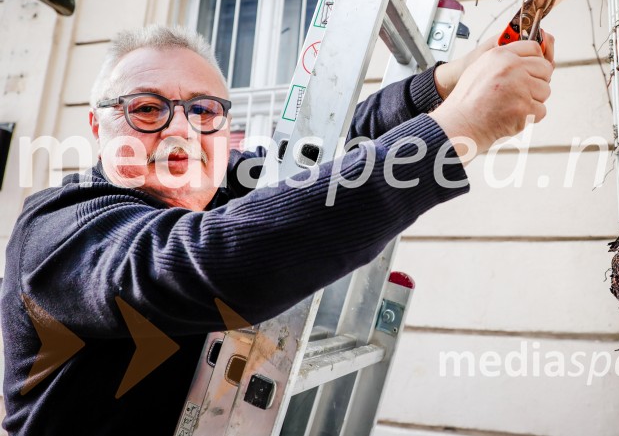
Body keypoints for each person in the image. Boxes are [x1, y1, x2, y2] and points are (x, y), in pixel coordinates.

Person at [0, 24, 554, 434]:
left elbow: (331, 153)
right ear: (98, 126)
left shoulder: (218, 191)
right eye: (146, 109)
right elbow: (200, 264)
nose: (181, 131)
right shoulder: (58, 228)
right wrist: (455, 130)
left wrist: (446, 86)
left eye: (205, 111)